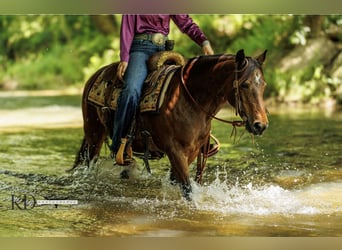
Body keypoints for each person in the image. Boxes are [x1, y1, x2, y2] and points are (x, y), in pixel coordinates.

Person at [112, 14, 214, 165]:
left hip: (165, 49)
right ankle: (120, 144)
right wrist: (125, 57)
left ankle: (201, 139)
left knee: (190, 88)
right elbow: (126, 28)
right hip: (140, 49)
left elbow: (185, 22)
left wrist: (203, 42)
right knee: (131, 91)